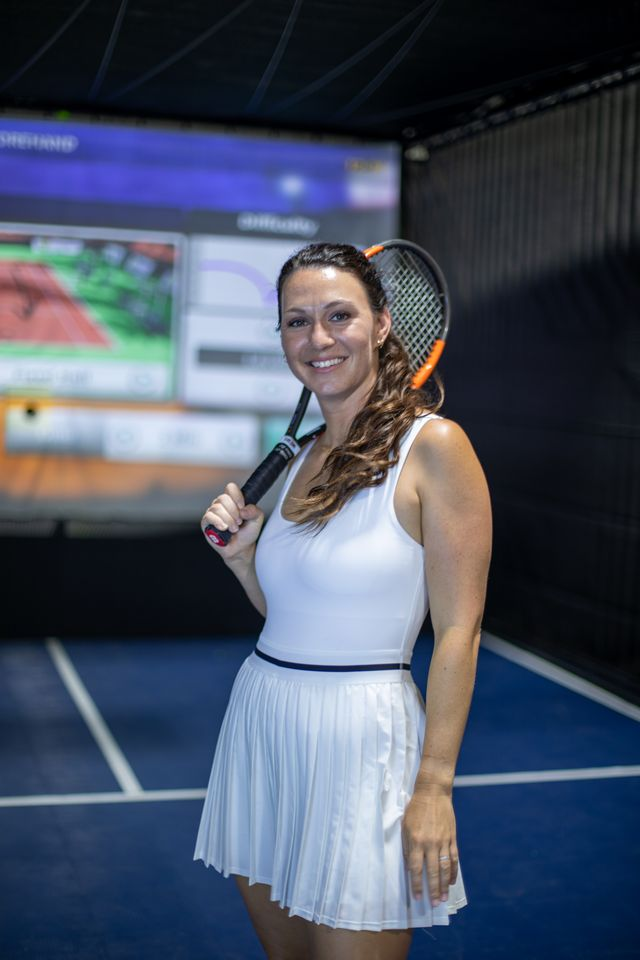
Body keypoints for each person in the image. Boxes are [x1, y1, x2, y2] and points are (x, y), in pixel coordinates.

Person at [194, 242, 492, 960]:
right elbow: (301, 624)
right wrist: (243, 564)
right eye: (297, 322)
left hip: (365, 745)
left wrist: (434, 787)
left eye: (338, 316)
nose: (317, 339)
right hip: (264, 723)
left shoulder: (435, 447)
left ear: (383, 324)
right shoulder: (298, 458)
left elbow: (460, 629)